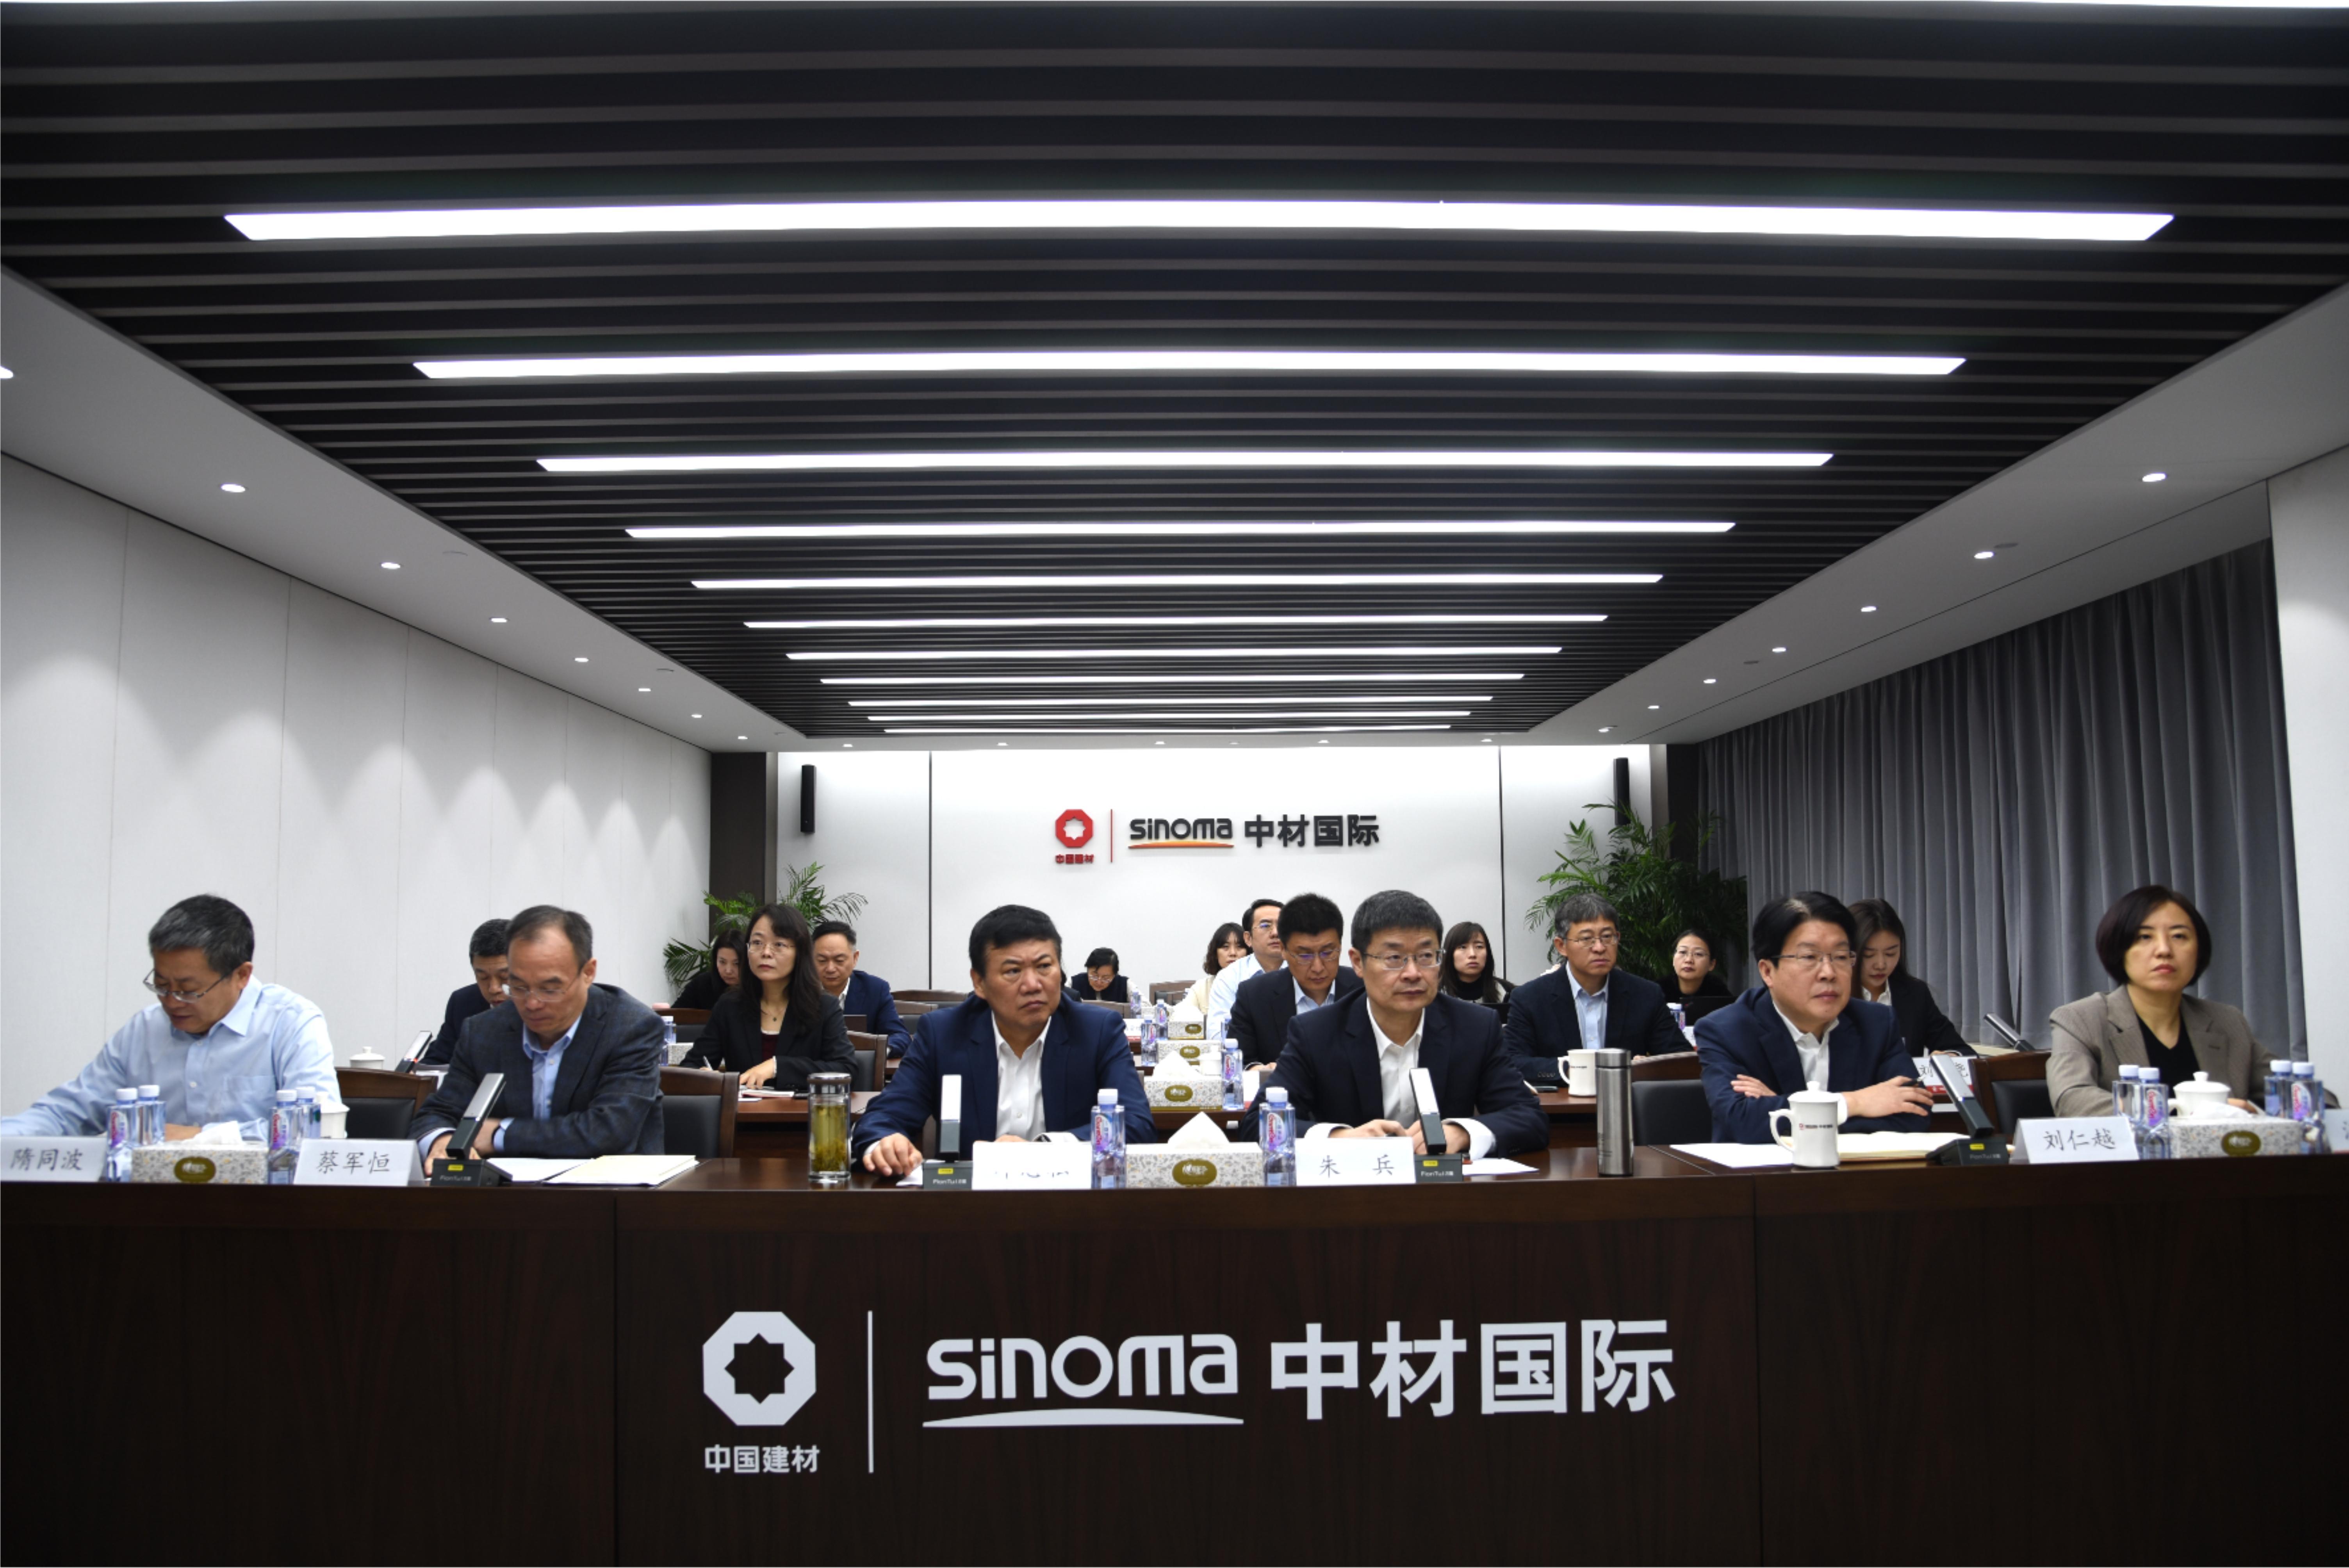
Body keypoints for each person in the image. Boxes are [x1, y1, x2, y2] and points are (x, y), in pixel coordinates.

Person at [2, 894, 335, 1142]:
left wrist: (200, 1137)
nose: (172, 1002)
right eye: (162, 986)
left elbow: (317, 1128)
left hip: (259, 1203)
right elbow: (67, 1113)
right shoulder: (145, 1030)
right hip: (152, 1204)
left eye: (189, 990)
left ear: (241, 976)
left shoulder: (291, 1024)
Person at [854, 904, 1155, 1176]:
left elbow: (1136, 1126)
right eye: (1013, 971)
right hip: (972, 1207)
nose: (1033, 984)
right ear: (979, 982)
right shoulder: (943, 1033)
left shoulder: (1098, 1031)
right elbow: (883, 1118)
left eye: (1044, 967)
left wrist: (1043, 1150)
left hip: (1070, 1205)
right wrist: (886, 1143)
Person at [1249, 890, 1547, 1158]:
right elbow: (1257, 1124)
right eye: (1394, 958)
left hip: (1444, 1192)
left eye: (1427, 956)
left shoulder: (1475, 1027)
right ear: (1358, 962)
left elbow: (1529, 1117)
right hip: (1354, 1192)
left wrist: (1463, 1132)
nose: (1413, 973)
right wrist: (1341, 1138)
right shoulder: (1316, 1032)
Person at [414, 905, 665, 1161]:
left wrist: (501, 1135)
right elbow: (437, 1113)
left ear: (588, 973)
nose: (532, 1003)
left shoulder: (631, 1027)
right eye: (518, 987)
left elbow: (609, 1132)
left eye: (550, 989)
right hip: (503, 1183)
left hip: (609, 1182)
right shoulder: (483, 1030)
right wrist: (441, 1140)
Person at [1696, 891, 1931, 1144]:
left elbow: (1915, 1114)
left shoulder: (1877, 1023)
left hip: (1856, 1169)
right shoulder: (1727, 1030)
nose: (1829, 972)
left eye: (1841, 957)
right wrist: (1855, 1102)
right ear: (1768, 972)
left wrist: (1784, 1108)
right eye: (1809, 958)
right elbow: (1743, 1122)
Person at [2048, 884, 2287, 1118]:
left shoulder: (2227, 1021)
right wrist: (2184, 1109)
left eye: (2179, 936)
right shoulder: (2081, 1020)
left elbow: (2294, 1092)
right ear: (2119, 949)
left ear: (2199, 951)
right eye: (2145, 937)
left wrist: (2257, 1113)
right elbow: (2072, 1100)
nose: (2164, 950)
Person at [1503, 894, 1682, 1072]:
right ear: (1561, 946)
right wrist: (1573, 1070)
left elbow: (1681, 1059)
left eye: (1607, 937)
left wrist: (1648, 1067)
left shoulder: (1646, 995)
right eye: (1586, 939)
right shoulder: (1530, 999)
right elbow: (1512, 1062)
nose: (1600, 948)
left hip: (1626, 1091)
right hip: (1562, 1091)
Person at [682, 904, 854, 1090]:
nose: (766, 953)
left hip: (803, 1109)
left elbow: (846, 1070)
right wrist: (705, 1077)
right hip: (741, 1109)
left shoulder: (824, 1006)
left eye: (779, 945)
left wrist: (777, 1067)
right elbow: (691, 1066)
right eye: (757, 943)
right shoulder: (730, 1005)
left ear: (800, 952)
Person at [1228, 893, 1364, 1069]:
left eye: (1328, 953)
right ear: (1283, 950)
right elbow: (1238, 1063)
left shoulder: (1364, 989)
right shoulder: (1254, 995)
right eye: (1305, 955)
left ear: (1340, 946)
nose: (1318, 967)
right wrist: (1262, 1071)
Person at [1848, 899, 1971, 1057]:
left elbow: (1962, 1050)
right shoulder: (1831, 997)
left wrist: (1951, 1057)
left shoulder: (1915, 994)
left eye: (1891, 954)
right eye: (1869, 955)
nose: (1881, 965)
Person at [808, 920, 914, 1057]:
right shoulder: (799, 990)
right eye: (822, 961)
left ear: (855, 958)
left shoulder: (875, 990)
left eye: (839, 961)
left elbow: (900, 1036)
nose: (830, 969)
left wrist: (875, 1054)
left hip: (860, 1068)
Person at [422, 918, 510, 1066]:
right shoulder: (463, 1003)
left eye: (505, 977)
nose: (494, 989)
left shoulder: (538, 1007)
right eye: (483, 977)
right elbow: (437, 1062)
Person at [1206, 898, 1285, 1038]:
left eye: (1282, 925)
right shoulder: (1229, 977)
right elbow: (1218, 1035)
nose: (1276, 933)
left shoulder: (1305, 970)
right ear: (1248, 938)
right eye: (1266, 926)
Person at [1438, 920, 1515, 1018]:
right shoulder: (1435, 993)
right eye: (1463, 947)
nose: (1473, 954)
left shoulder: (1507, 992)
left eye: (1479, 947)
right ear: (1450, 954)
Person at [672, 930, 746, 1012]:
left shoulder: (755, 987)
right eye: (722, 962)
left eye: (737, 964)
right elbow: (675, 1015)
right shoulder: (702, 984)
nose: (728, 971)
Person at [1184, 921, 1249, 1014]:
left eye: (1239, 947)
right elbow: (1182, 1014)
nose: (1233, 953)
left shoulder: (1257, 984)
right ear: (1215, 953)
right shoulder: (1202, 988)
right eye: (1226, 947)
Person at [1666, 928, 1732, 1007]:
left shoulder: (1720, 996)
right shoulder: (1658, 992)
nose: (1689, 960)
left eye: (1699, 954)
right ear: (1673, 959)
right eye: (1683, 952)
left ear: (1712, 964)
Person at [1068, 947, 1132, 1005]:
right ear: (1088, 970)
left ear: (1114, 975)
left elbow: (1138, 1009)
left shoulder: (1126, 985)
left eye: (1106, 978)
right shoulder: (1072, 983)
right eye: (1095, 976)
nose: (1099, 982)